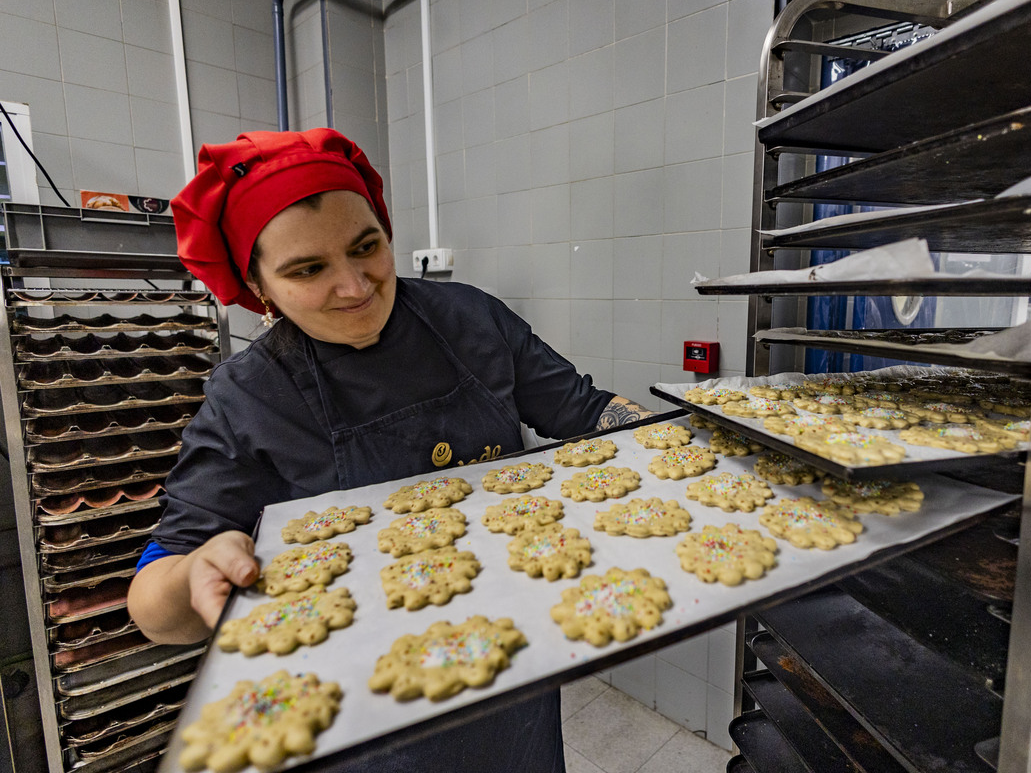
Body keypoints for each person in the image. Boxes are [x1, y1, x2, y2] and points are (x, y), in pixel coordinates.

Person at [127, 128, 654, 772]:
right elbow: (157, 605)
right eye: (308, 270)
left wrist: (681, 438)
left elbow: (586, 409)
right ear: (259, 285)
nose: (354, 287)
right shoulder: (251, 395)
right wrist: (195, 573)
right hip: (360, 711)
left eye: (366, 247)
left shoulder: (472, 319)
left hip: (514, 665)